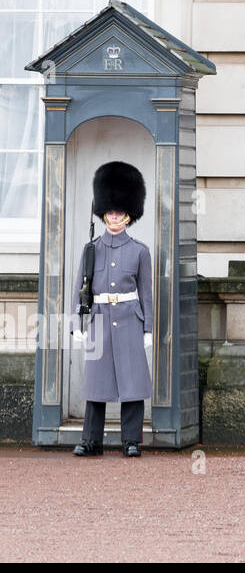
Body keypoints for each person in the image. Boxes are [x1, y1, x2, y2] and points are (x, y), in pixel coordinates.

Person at [73, 161, 153, 458]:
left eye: (119, 212)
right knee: (96, 384)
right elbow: (81, 285)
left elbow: (146, 292)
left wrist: (148, 329)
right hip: (99, 319)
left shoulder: (139, 251)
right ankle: (91, 441)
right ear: (104, 212)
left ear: (129, 215)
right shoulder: (92, 248)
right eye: (110, 211)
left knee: (132, 384)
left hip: (130, 319)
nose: (114, 216)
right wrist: (75, 324)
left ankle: (131, 440)